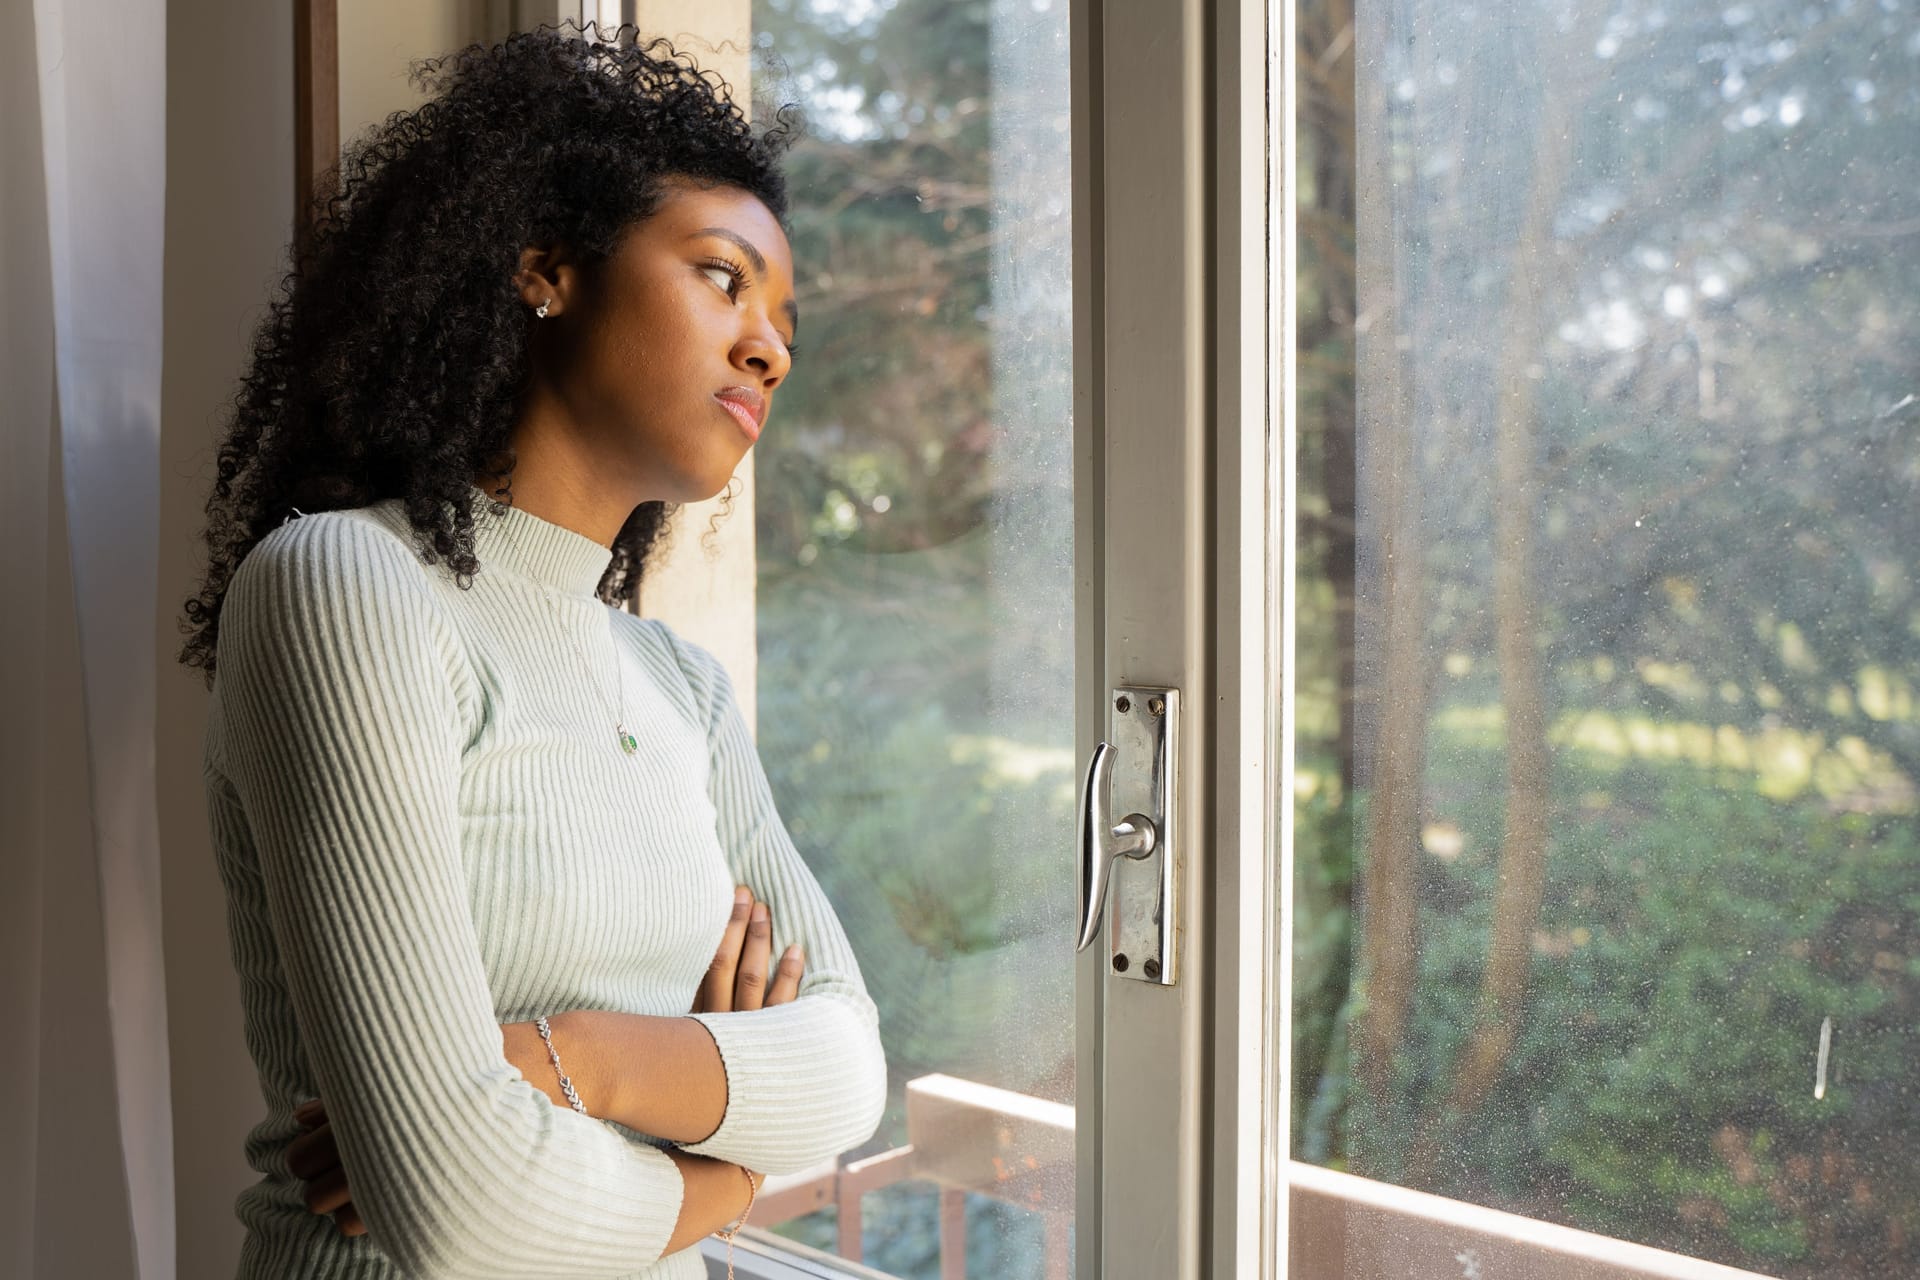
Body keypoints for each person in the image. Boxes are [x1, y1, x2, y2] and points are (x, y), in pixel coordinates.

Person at [176, 23, 885, 1279]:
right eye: (725, 277)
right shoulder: (343, 586)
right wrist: (725, 1171)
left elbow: (846, 1066)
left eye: (783, 317)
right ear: (547, 269)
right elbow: (462, 1213)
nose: (771, 344)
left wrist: (572, 1058)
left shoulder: (683, 687)